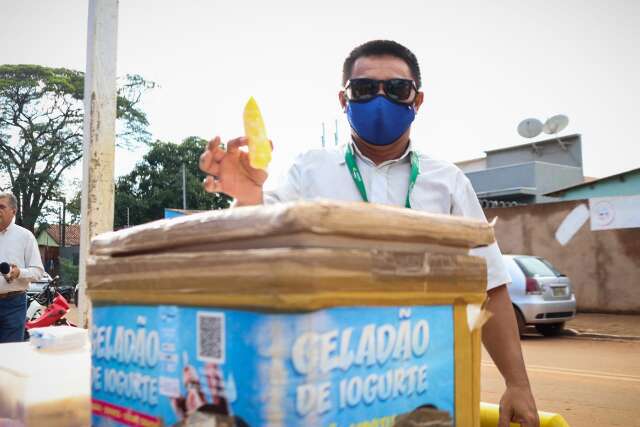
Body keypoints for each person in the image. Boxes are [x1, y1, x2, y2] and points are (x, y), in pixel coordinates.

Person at [199, 40, 539, 426]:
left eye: (396, 89)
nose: (380, 99)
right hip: (326, 386)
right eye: (364, 90)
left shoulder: (448, 183)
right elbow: (254, 236)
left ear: (417, 100)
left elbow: (491, 286)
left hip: (426, 388)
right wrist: (246, 194)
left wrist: (518, 384)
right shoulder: (310, 170)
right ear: (344, 100)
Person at [0, 191, 44, 343]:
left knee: (10, 355)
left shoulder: (25, 237)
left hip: (13, 305)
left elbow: (38, 272)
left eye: (1, 207)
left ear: (13, 211)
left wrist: (19, 273)